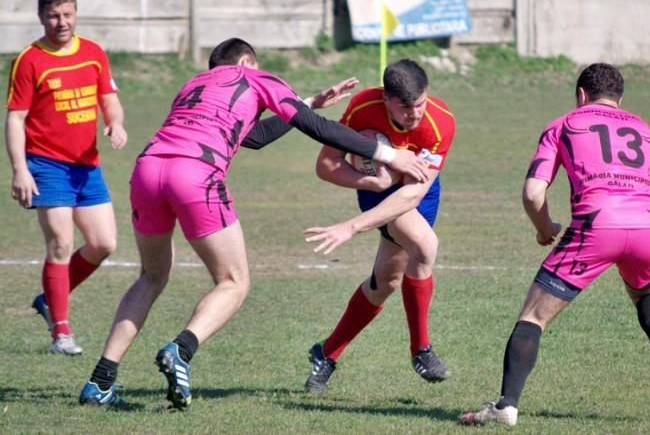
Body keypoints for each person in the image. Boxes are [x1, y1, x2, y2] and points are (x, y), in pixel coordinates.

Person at [77, 38, 430, 409]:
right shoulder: (257, 77)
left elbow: (254, 136)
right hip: (195, 173)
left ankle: (100, 381)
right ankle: (180, 349)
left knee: (150, 276)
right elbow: (317, 129)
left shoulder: (194, 84)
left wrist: (308, 101)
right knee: (234, 282)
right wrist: (389, 154)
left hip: (148, 169)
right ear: (247, 61)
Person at [458, 63, 650, 427]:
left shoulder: (564, 125)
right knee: (645, 293)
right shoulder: (648, 132)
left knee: (533, 317)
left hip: (597, 225)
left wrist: (544, 228)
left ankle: (506, 406)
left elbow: (532, 192)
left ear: (581, 95)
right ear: (620, 99)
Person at [301, 59, 455, 393]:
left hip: (419, 193)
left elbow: (413, 195)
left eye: (420, 104)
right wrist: (368, 182)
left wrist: (351, 227)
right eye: (404, 108)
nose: (414, 114)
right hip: (376, 188)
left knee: (387, 281)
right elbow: (326, 166)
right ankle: (421, 350)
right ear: (386, 99)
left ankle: (326, 353)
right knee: (425, 246)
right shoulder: (363, 108)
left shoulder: (440, 122)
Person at [4, 0, 127, 355]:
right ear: (41, 16)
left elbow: (110, 97)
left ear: (76, 14)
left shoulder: (93, 53)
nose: (62, 22)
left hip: (87, 165)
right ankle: (61, 331)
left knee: (104, 244)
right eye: (54, 15)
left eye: (68, 14)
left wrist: (114, 122)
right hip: (46, 165)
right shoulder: (29, 60)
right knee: (60, 242)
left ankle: (48, 299)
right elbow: (16, 118)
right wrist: (19, 169)